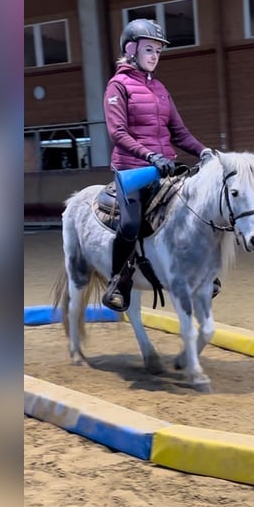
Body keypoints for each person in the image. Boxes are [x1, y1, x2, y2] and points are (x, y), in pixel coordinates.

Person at [101, 18, 217, 312]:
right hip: (132, 171)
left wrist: (204, 151)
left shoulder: (161, 89)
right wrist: (150, 156)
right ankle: (119, 280)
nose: (155, 56)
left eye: (158, 51)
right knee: (130, 224)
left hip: (165, 169)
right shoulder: (118, 86)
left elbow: (179, 133)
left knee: (194, 210)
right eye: (149, 49)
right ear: (131, 49)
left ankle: (202, 271)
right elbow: (118, 133)